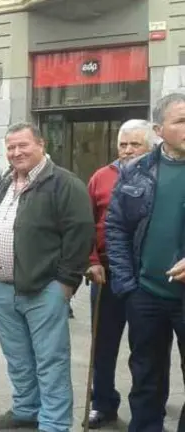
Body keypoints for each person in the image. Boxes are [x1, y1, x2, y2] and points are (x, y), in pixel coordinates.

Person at [0, 122, 94, 431]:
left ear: (41, 145)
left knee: (50, 361)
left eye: (23, 145)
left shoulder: (64, 183)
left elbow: (80, 234)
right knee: (18, 358)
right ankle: (26, 409)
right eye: (11, 147)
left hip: (44, 289)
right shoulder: (5, 182)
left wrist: (66, 283)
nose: (16, 152)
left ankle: (55, 424)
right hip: (2, 288)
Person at [105, 93, 185, 431]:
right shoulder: (137, 170)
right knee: (146, 379)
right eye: (180, 120)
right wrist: (128, 288)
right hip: (146, 295)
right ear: (159, 129)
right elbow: (116, 228)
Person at [84, 119, 155, 429]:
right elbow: (86, 226)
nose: (127, 151)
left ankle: (149, 407)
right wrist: (91, 260)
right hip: (106, 276)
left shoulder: (161, 175)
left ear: (151, 146)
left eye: (135, 144)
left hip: (149, 277)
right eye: (123, 144)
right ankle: (103, 403)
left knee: (149, 347)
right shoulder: (101, 177)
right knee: (103, 345)